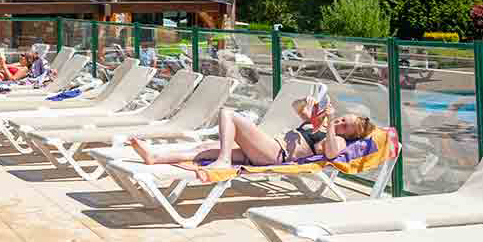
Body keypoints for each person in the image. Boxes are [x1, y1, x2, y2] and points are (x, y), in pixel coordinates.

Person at [127, 97, 377, 170]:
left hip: (275, 154)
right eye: (344, 118)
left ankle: (224, 160)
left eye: (347, 124)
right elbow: (297, 108)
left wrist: (333, 123)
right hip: (264, 150)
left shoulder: (337, 138)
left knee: (228, 114)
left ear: (351, 134)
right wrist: (307, 101)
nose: (342, 122)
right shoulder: (319, 126)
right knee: (200, 149)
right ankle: (154, 157)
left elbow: (332, 154)